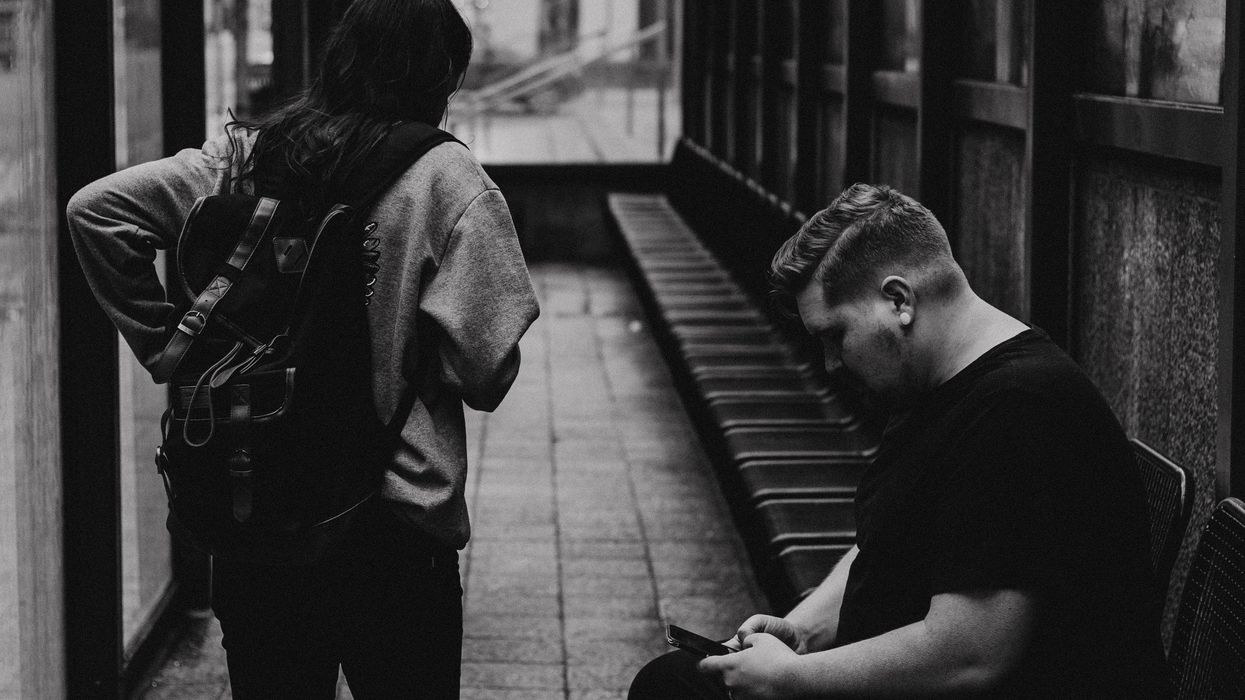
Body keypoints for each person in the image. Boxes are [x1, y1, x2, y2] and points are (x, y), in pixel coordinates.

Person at [66, 1, 539, 697]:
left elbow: (97, 211)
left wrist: (175, 343)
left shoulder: (244, 156)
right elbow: (485, 372)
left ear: (338, 58)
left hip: (257, 499)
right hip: (394, 523)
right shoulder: (447, 179)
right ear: (443, 75)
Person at [628, 184, 1169, 698]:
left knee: (674, 687)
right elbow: (888, 541)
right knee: (683, 680)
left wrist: (790, 681)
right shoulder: (941, 387)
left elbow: (970, 654)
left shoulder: (1020, 410)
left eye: (835, 335)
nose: (831, 364)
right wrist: (803, 631)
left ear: (898, 301)